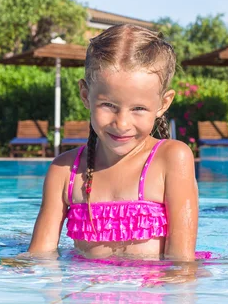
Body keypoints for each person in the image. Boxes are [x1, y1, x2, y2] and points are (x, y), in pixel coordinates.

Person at [27, 24, 201, 263]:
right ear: (86, 95)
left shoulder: (171, 159)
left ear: (163, 103)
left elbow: (182, 264)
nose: (122, 123)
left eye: (138, 108)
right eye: (108, 105)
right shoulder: (64, 172)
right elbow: (39, 258)